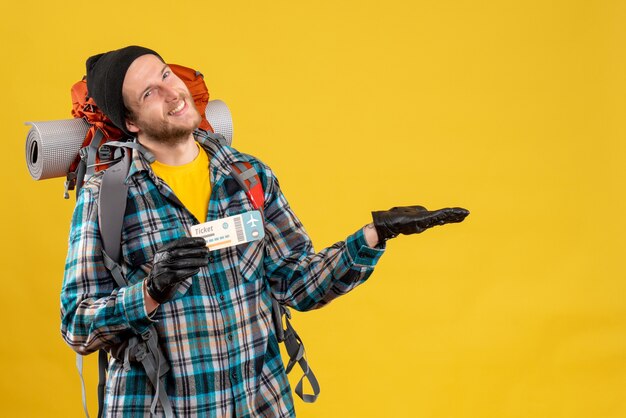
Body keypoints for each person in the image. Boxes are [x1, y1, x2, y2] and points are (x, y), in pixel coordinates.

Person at [60, 45, 469, 417]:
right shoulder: (107, 197)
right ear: (130, 121)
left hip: (260, 404)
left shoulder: (247, 175)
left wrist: (373, 236)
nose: (171, 93)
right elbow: (76, 325)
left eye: (166, 75)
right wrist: (149, 291)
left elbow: (296, 284)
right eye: (148, 93)